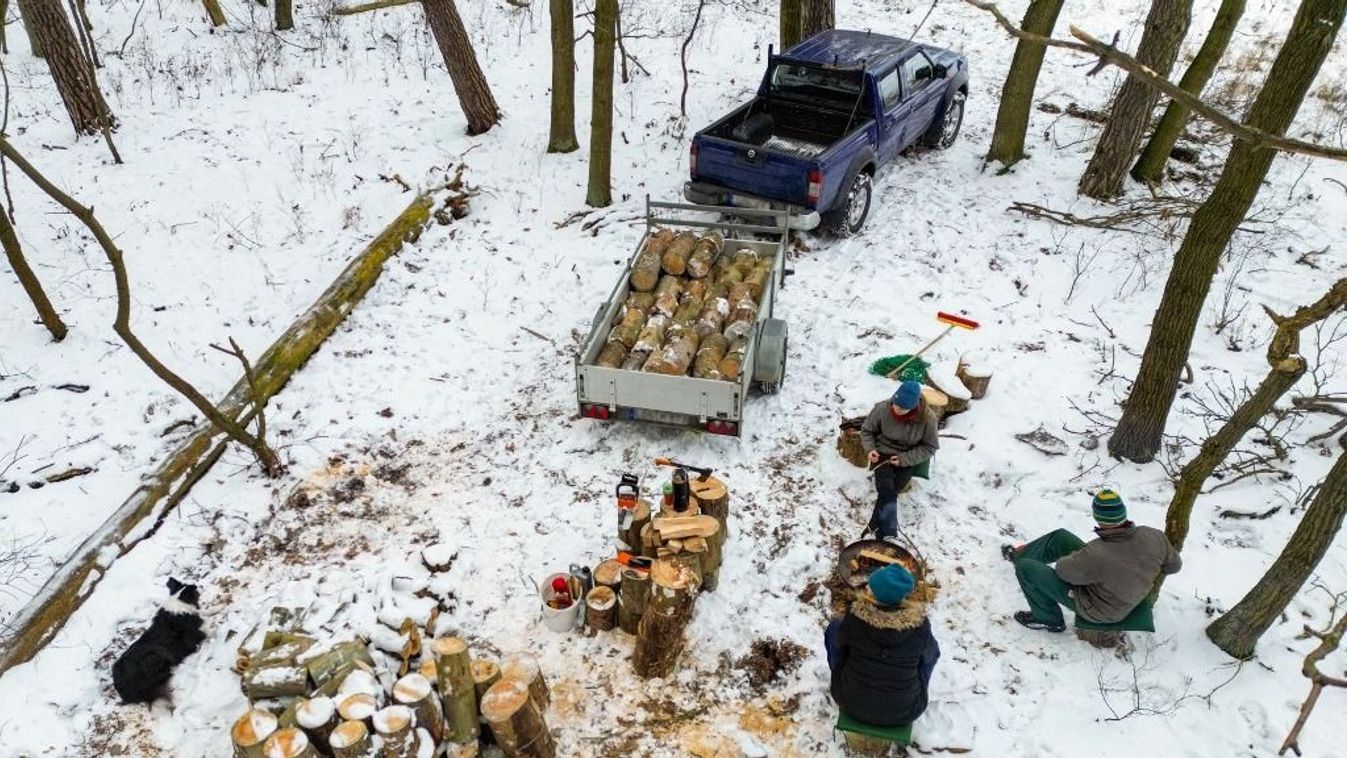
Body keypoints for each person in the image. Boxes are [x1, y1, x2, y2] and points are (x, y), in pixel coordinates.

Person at [1003, 489, 1182, 632]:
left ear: (1098, 518)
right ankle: (1019, 555)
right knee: (1060, 538)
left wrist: (1079, 561)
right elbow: (1174, 566)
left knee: (1026, 568)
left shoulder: (1097, 552)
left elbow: (1063, 571)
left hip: (1101, 610)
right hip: (1115, 586)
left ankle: (1048, 620)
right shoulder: (1155, 536)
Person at [824, 565, 940, 727]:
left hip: (850, 701)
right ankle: (909, 690)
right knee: (930, 653)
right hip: (904, 711)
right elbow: (932, 656)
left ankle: (848, 678)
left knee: (835, 629)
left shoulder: (854, 617)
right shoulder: (920, 626)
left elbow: (840, 644)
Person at [859, 380, 939, 539]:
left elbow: (930, 447)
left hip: (907, 456)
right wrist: (870, 449)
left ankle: (874, 525)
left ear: (913, 407)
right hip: (883, 453)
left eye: (902, 408)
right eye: (896, 404)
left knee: (893, 489)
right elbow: (867, 431)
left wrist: (904, 459)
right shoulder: (882, 409)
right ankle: (888, 531)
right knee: (886, 487)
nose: (896, 409)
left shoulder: (928, 419)